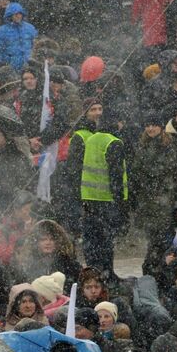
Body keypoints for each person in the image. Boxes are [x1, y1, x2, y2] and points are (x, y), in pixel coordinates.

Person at [65, 101, 128, 275]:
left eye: (100, 109)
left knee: (92, 241)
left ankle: (94, 274)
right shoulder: (111, 141)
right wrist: (120, 202)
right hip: (106, 199)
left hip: (90, 199)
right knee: (105, 241)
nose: (97, 113)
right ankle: (105, 274)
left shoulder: (92, 139)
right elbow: (115, 175)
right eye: (93, 109)